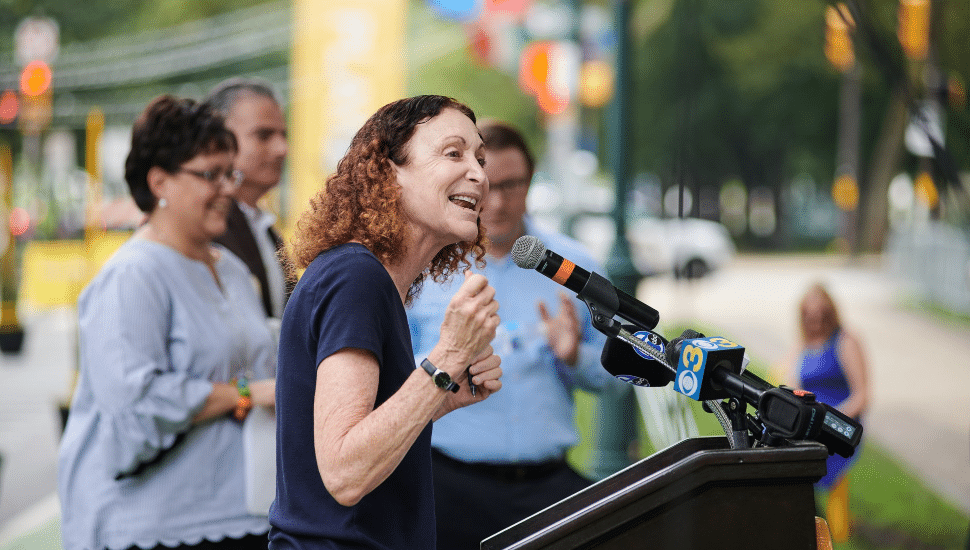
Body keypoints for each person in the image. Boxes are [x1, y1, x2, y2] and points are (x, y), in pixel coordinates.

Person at [268, 95, 504, 550]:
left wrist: (443, 397)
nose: (478, 173)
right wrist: (447, 358)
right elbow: (344, 473)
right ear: (388, 171)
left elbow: (359, 443)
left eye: (480, 158)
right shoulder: (357, 277)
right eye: (453, 153)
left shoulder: (368, 278)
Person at [58, 95, 278, 550]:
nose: (226, 189)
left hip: (244, 510)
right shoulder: (133, 275)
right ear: (159, 181)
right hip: (154, 524)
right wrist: (246, 394)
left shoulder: (232, 270)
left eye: (229, 173)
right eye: (209, 175)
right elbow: (134, 404)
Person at [408, 120, 612, 549]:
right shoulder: (424, 269)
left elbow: (615, 383)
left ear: (532, 182)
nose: (498, 202)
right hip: (448, 488)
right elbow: (388, 381)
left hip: (548, 491)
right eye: (488, 186)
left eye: (513, 185)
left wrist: (574, 357)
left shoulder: (573, 267)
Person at [777, 282, 870, 542]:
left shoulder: (846, 340)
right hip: (812, 423)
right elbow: (791, 380)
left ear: (830, 312)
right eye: (809, 314)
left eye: (821, 313)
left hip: (842, 426)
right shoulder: (803, 343)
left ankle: (824, 532)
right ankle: (806, 527)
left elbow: (862, 395)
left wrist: (829, 421)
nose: (815, 319)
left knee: (806, 467)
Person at [205, 77, 291, 318]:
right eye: (263, 135)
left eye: (283, 135)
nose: (281, 148)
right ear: (218, 140)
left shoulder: (267, 230)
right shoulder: (203, 227)